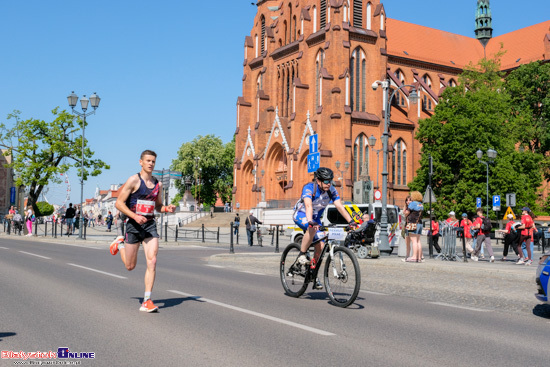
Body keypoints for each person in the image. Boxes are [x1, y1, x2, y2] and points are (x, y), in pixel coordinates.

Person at [110, 150, 176, 313]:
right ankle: (120, 245)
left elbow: (158, 206)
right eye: (148, 160)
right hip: (133, 225)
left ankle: (147, 300)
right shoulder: (133, 180)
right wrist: (134, 216)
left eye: (153, 161)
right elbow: (119, 203)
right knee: (130, 266)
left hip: (149, 225)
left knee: (152, 260)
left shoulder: (157, 184)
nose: (151, 164)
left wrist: (167, 208)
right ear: (141, 162)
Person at [293, 167, 356, 288]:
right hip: (302, 214)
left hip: (316, 219)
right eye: (326, 181)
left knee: (321, 246)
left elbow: (339, 206)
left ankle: (312, 272)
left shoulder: (331, 190)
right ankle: (301, 254)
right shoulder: (309, 188)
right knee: (311, 228)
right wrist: (310, 221)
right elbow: (308, 205)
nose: (329, 184)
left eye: (330, 181)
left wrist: (351, 221)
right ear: (318, 180)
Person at [404, 191, 424, 262]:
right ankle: (419, 257)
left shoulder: (412, 204)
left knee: (414, 241)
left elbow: (407, 213)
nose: (411, 197)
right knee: (418, 241)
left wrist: (405, 212)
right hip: (420, 223)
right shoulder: (421, 204)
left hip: (413, 223)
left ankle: (414, 256)